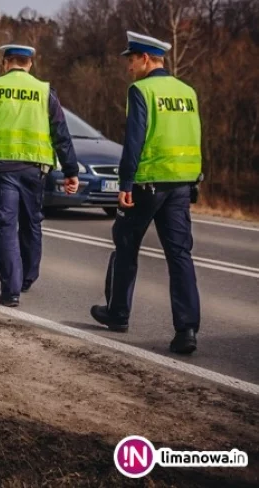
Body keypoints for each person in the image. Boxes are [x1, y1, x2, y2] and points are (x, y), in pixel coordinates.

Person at [89, 31, 203, 355]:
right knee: (180, 255)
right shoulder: (187, 92)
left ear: (145, 59)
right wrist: (193, 178)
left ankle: (117, 313)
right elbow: (194, 135)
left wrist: (125, 184)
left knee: (125, 245)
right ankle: (187, 330)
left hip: (147, 182)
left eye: (131, 60)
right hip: (180, 183)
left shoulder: (141, 90)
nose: (129, 67)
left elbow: (134, 140)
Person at [0, 44, 80, 307]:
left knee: (6, 225)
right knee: (31, 222)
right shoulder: (45, 91)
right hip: (34, 169)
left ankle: (11, 290)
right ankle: (27, 277)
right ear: (30, 64)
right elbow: (61, 133)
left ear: (5, 63)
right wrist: (71, 171)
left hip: (2, 168)